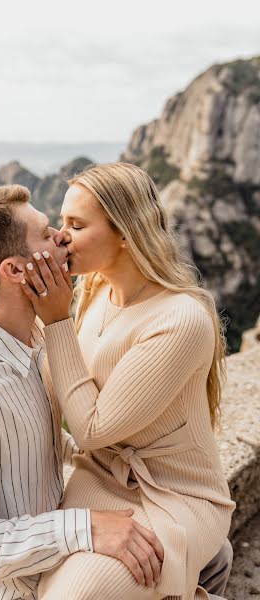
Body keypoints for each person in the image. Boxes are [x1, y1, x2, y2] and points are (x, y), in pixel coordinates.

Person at [0, 184, 164, 600]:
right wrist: (84, 527)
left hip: (53, 564)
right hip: (17, 592)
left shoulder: (29, 338)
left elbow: (27, 445)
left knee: (210, 552)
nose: (62, 238)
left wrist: (98, 456)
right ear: (14, 271)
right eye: (47, 234)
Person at [19, 162, 236, 600]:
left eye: (76, 225)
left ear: (124, 231)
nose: (61, 236)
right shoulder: (95, 289)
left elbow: (94, 429)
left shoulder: (180, 320)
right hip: (96, 478)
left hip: (172, 497)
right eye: (61, 223)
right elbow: (58, 385)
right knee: (32, 580)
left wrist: (56, 321)